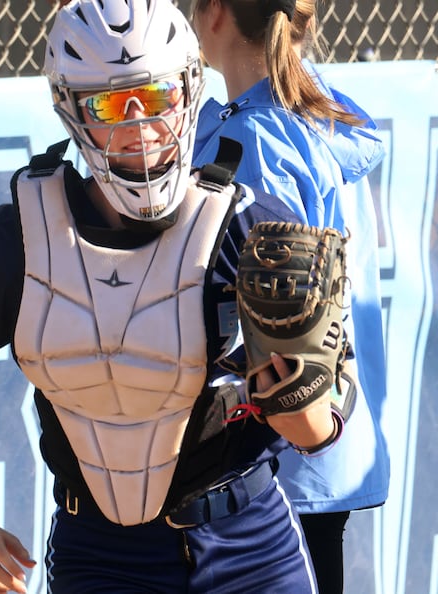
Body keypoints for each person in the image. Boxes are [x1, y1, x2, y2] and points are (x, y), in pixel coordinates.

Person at [0, 0, 339, 592]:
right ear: (72, 110)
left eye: (157, 98)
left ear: (189, 92)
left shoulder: (249, 230)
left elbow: (314, 433)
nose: (140, 127)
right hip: (102, 554)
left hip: (249, 545)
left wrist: (293, 389)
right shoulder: (27, 237)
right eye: (111, 105)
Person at [190, 1, 390, 593]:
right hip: (320, 442)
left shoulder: (253, 140)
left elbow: (282, 318)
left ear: (218, 12)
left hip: (278, 454)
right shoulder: (320, 108)